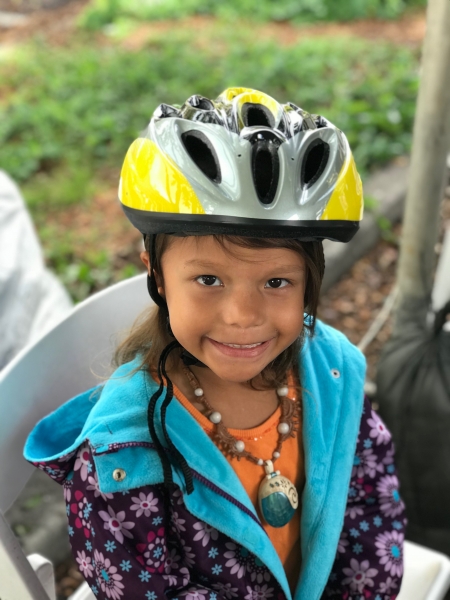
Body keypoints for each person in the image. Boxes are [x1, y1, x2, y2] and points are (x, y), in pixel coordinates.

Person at [24, 88, 406, 599]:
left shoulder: (331, 371)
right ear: (157, 277)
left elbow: (370, 512)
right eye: (208, 280)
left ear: (310, 283)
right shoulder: (121, 459)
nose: (243, 317)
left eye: (276, 283)